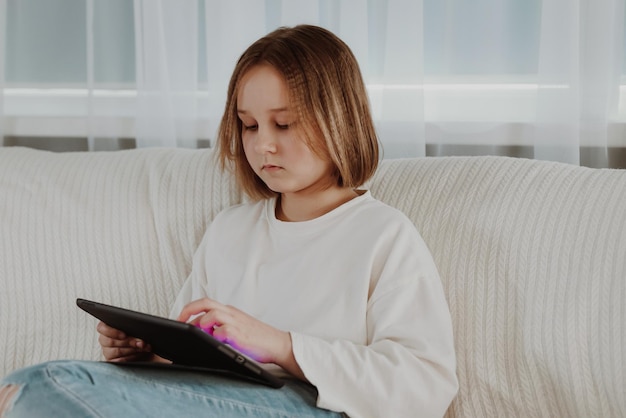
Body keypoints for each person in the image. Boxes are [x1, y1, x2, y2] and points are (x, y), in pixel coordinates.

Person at [0, 24, 458, 417]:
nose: (263, 146)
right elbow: (194, 375)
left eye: (284, 124)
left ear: (339, 119)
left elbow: (425, 385)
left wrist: (281, 345)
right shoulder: (230, 230)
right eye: (249, 125)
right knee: (45, 387)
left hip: (308, 405)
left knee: (46, 386)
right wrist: (150, 359)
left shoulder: (383, 234)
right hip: (220, 400)